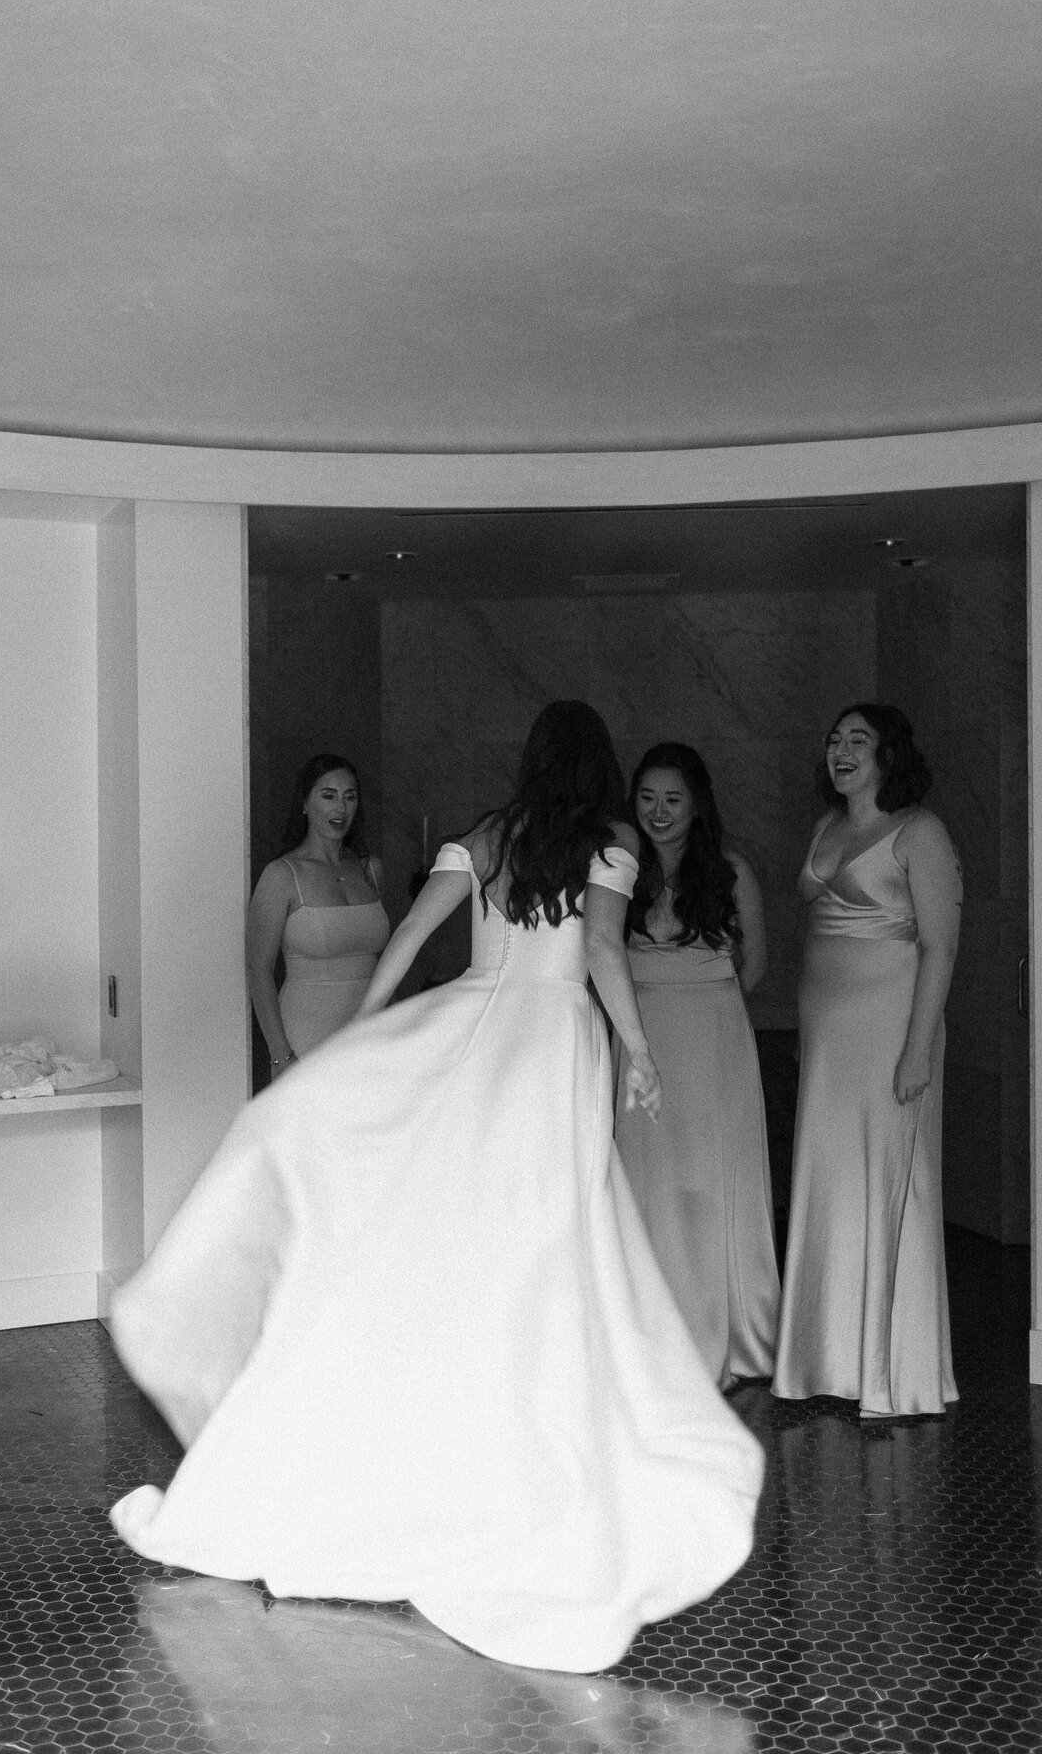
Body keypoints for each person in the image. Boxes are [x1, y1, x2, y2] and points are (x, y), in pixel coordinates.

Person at [109, 701, 763, 1675]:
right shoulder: (607, 843)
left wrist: (362, 1036)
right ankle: (522, 1438)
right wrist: (638, 1051)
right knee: (545, 1243)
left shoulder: (486, 837)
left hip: (475, 1028)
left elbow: (412, 936)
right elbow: (597, 953)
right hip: (551, 1045)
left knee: (463, 1231)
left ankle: (449, 1423)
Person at [772, 704, 962, 1419]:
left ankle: (895, 1372)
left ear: (889, 754)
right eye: (833, 739)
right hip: (828, 1043)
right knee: (829, 1182)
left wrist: (918, 1048)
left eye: (858, 740)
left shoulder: (921, 830)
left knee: (889, 1183)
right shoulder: (826, 829)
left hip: (891, 1035)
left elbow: (940, 946)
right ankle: (825, 1358)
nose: (840, 750)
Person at [613, 743, 780, 1391]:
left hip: (713, 1037)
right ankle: (655, 1337)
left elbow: (756, 964)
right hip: (643, 1035)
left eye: (673, 799)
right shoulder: (621, 870)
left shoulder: (732, 870)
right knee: (648, 1176)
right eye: (647, 798)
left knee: (709, 1177)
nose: (658, 812)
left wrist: (707, 993)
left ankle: (722, 1334)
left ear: (697, 804)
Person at [246, 755, 390, 1072]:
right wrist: (280, 1053)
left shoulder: (370, 870)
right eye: (328, 796)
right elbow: (258, 969)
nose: (340, 808)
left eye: (349, 797)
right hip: (306, 1034)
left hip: (371, 1033)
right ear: (305, 804)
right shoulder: (282, 875)